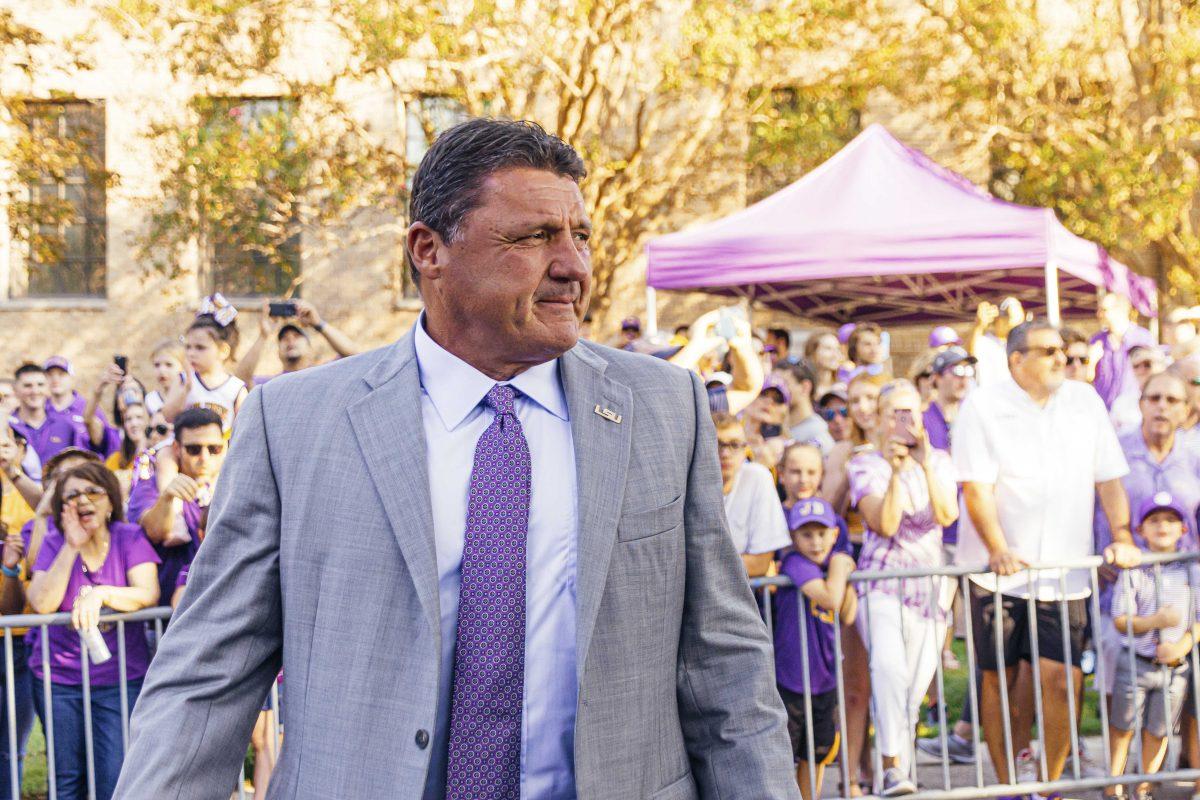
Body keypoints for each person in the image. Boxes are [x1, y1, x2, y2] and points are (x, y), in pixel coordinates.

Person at [115, 118, 799, 799]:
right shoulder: (291, 423)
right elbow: (206, 679)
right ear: (429, 250)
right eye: (534, 237)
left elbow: (726, 670)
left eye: (579, 236)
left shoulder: (663, 408)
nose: (574, 266)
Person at [953, 318, 1140, 787]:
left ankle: (1050, 786)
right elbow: (976, 488)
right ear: (1017, 359)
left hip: (1065, 574)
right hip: (996, 575)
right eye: (1049, 351)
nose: (1063, 358)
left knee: (1063, 679)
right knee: (1001, 679)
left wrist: (1121, 533)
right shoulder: (983, 405)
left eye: (1063, 350)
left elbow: (1110, 479)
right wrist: (998, 549)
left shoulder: (1084, 402)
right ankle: (1007, 784)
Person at [849, 380, 958, 796]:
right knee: (888, 671)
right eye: (895, 412)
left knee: (912, 692)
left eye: (911, 413)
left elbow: (947, 514)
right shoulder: (865, 465)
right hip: (881, 584)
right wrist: (895, 472)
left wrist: (924, 463)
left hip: (930, 591)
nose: (904, 421)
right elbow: (886, 524)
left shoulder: (941, 461)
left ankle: (896, 778)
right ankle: (894, 768)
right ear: (878, 419)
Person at [27, 462, 159, 800]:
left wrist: (101, 594)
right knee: (67, 779)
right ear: (61, 506)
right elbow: (42, 602)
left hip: (118, 679)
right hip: (59, 679)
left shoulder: (128, 536)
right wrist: (72, 546)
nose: (82, 500)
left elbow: (147, 592)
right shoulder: (56, 541)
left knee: (113, 776)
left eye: (92, 492)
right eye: (72, 495)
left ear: (110, 500)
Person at [1108, 493, 1200, 800]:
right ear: (1140, 530)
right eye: (1155, 520)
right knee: (1123, 727)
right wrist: (1154, 621)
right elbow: (1120, 619)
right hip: (1136, 662)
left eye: (1171, 520)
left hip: (1175, 668)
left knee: (1158, 731)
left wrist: (1183, 644)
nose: (1163, 526)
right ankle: (1114, 786)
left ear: (1183, 530)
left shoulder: (1192, 569)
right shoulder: (1134, 570)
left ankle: (1144, 788)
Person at [774, 497, 857, 800]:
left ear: (835, 534)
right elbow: (830, 600)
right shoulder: (795, 563)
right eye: (806, 534)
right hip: (792, 679)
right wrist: (840, 566)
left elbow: (847, 613)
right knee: (786, 752)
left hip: (824, 678)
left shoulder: (834, 569)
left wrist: (843, 574)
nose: (815, 541)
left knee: (818, 750)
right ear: (793, 537)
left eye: (822, 533)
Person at [128, 408, 225, 605]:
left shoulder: (234, 485)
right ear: (176, 448)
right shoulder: (151, 485)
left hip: (221, 608)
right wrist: (167, 498)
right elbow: (154, 532)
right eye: (194, 449)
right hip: (168, 617)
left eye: (214, 449)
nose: (204, 457)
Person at [713, 412, 791, 577]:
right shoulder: (687, 482)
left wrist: (700, 569)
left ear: (745, 449)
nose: (725, 454)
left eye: (734, 445)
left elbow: (760, 564)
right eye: (717, 444)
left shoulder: (758, 477)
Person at [161, 302, 248, 436]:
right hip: (186, 452)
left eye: (200, 347)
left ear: (223, 351)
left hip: (219, 453)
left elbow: (244, 429)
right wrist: (185, 389)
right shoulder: (182, 380)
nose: (191, 353)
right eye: (188, 347)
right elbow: (168, 416)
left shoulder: (236, 388)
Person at [236, 298, 361, 386]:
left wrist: (318, 323)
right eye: (284, 338)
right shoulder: (271, 385)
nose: (290, 340)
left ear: (310, 348)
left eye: (297, 336)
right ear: (278, 352)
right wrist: (263, 336)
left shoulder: (325, 374)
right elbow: (240, 381)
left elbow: (355, 356)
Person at [7, 364, 88, 472]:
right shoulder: (7, 427)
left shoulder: (66, 425)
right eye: (27, 386)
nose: (35, 391)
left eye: (40, 385)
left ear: (48, 387)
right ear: (15, 389)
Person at [43, 356, 119, 457]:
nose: (55, 379)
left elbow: (105, 443)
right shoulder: (40, 410)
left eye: (61, 374)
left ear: (71, 378)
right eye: (50, 375)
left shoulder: (88, 408)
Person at [1091, 292, 1155, 410]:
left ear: (1120, 311)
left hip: (1134, 410)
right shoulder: (1097, 340)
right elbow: (1089, 376)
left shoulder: (1143, 338)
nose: (1098, 314)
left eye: (1104, 310)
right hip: (1105, 410)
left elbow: (1154, 373)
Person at [776, 360, 834, 455]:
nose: (776, 392)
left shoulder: (818, 432)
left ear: (805, 387)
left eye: (783, 384)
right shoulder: (774, 428)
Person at [1110, 345, 1167, 436]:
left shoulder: (1174, 399)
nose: (1141, 370)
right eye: (1136, 366)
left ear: (1162, 366)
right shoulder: (1122, 402)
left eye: (1147, 364)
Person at [969, 297, 1024, 388]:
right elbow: (969, 354)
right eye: (1009, 319)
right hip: (990, 397)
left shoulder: (1019, 345)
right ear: (998, 319)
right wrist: (978, 326)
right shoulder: (985, 342)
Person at [143, 340, 187, 417]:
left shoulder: (190, 396)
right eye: (157, 365)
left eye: (169, 365)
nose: (162, 370)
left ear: (183, 367)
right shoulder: (150, 400)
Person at [805, 331, 843, 401]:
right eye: (828, 348)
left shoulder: (843, 387)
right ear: (813, 353)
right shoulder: (804, 389)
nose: (835, 354)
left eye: (838, 349)